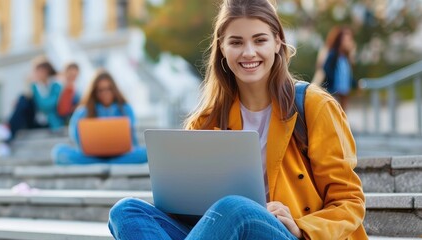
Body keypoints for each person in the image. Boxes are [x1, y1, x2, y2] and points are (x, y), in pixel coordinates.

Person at [108, 0, 367, 239]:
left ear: (278, 42)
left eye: (259, 40)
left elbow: (350, 201)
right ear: (222, 47)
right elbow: (191, 206)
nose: (249, 52)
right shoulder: (207, 120)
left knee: (237, 208)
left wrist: (301, 226)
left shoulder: (314, 105)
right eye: (236, 42)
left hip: (290, 233)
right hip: (224, 230)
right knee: (126, 211)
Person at [51, 70, 147, 165]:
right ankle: (109, 164)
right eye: (100, 90)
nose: (105, 93)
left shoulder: (126, 109)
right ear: (94, 92)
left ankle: (106, 164)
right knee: (59, 152)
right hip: (91, 157)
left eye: (108, 89)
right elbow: (76, 139)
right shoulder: (83, 111)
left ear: (114, 89)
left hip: (121, 156)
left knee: (146, 153)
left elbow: (133, 141)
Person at [0, 57, 64, 158]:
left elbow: (46, 106)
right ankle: (6, 132)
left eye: (39, 71)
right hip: (34, 121)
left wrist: (35, 88)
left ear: (46, 71)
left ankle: (6, 134)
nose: (37, 74)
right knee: (23, 99)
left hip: (49, 123)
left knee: (24, 100)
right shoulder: (36, 86)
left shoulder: (56, 86)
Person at [311, 26, 357, 110]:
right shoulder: (333, 54)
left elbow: (347, 74)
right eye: (346, 40)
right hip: (334, 91)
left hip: (344, 92)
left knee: (342, 115)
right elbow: (326, 68)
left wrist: (355, 83)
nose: (348, 42)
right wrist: (333, 81)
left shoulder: (345, 57)